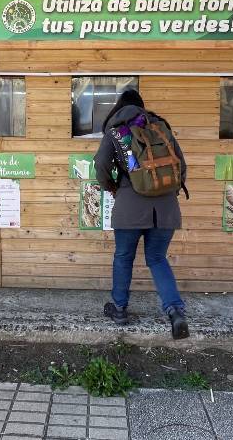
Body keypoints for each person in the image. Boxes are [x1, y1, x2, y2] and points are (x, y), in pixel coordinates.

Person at [94, 90, 190, 339]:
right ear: (142, 107)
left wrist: (113, 188)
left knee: (123, 257)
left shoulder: (116, 130)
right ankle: (175, 311)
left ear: (119, 107)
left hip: (130, 206)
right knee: (157, 258)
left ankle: (119, 309)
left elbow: (101, 165)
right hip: (166, 208)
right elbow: (181, 165)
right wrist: (169, 192)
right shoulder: (159, 126)